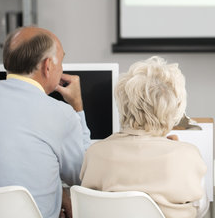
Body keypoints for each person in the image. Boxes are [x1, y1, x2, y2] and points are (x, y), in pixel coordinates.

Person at [0, 26, 91, 218]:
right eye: (61, 61)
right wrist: (77, 107)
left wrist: (57, 191)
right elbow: (82, 176)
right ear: (48, 66)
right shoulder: (62, 113)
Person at [80, 56, 208, 218]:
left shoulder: (94, 153)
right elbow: (201, 209)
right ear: (174, 108)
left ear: (123, 104)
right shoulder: (188, 155)